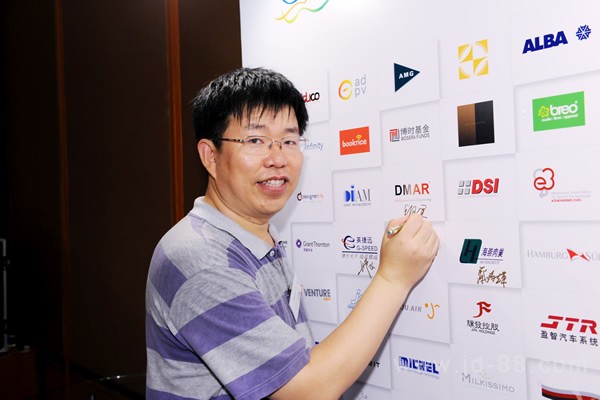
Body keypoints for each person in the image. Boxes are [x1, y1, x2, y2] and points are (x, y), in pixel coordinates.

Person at [145, 67, 439, 400]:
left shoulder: (251, 235)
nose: (278, 158)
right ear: (210, 156)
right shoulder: (200, 258)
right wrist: (393, 278)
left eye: (289, 141)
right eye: (255, 141)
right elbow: (306, 390)